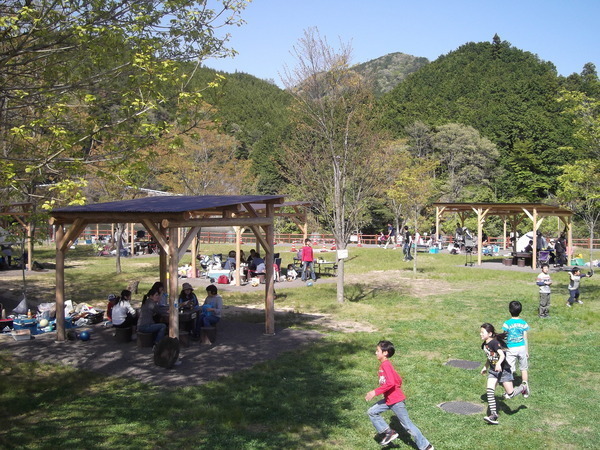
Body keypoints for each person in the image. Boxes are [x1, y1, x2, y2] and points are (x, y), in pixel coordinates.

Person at [365, 340, 434, 449]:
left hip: (396, 401)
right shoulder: (385, 365)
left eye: (378, 350)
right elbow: (398, 380)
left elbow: (391, 383)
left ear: (385, 353)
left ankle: (426, 446)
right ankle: (388, 432)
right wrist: (392, 389)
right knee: (372, 412)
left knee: (408, 426)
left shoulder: (386, 365)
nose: (376, 352)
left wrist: (375, 392)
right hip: (389, 400)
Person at [480, 323, 528, 425]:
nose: (481, 334)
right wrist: (485, 367)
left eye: (483, 332)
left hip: (504, 371)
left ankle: (523, 387)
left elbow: (502, 355)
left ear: (490, 333)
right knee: (490, 391)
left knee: (510, 394)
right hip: (493, 371)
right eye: (480, 332)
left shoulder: (494, 343)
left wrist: (498, 364)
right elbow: (489, 357)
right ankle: (493, 415)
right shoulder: (484, 345)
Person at [502, 301, 530, 398]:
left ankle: (509, 391)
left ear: (509, 310)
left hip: (511, 348)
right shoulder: (523, 323)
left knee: (509, 370)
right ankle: (525, 386)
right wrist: (526, 350)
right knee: (523, 368)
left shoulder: (507, 324)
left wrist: (503, 349)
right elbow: (525, 338)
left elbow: (504, 337)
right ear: (520, 310)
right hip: (522, 348)